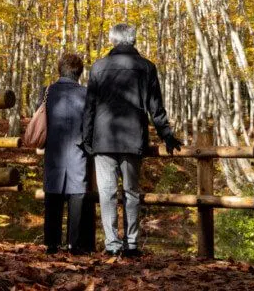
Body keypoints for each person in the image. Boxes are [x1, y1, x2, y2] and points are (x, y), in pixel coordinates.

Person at [81, 23, 182, 258]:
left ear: (113, 40)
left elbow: (90, 108)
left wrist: (87, 138)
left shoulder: (99, 67)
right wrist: (166, 135)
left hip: (103, 139)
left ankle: (112, 244)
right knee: (131, 192)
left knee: (106, 193)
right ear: (133, 40)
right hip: (133, 138)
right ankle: (132, 244)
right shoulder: (146, 67)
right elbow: (156, 107)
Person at [38, 52, 96, 255]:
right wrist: (88, 145)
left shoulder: (47, 92)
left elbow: (41, 118)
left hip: (53, 148)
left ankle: (51, 244)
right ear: (79, 72)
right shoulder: (86, 93)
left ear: (59, 70)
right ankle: (74, 244)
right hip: (78, 147)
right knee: (77, 193)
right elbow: (89, 123)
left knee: (52, 192)